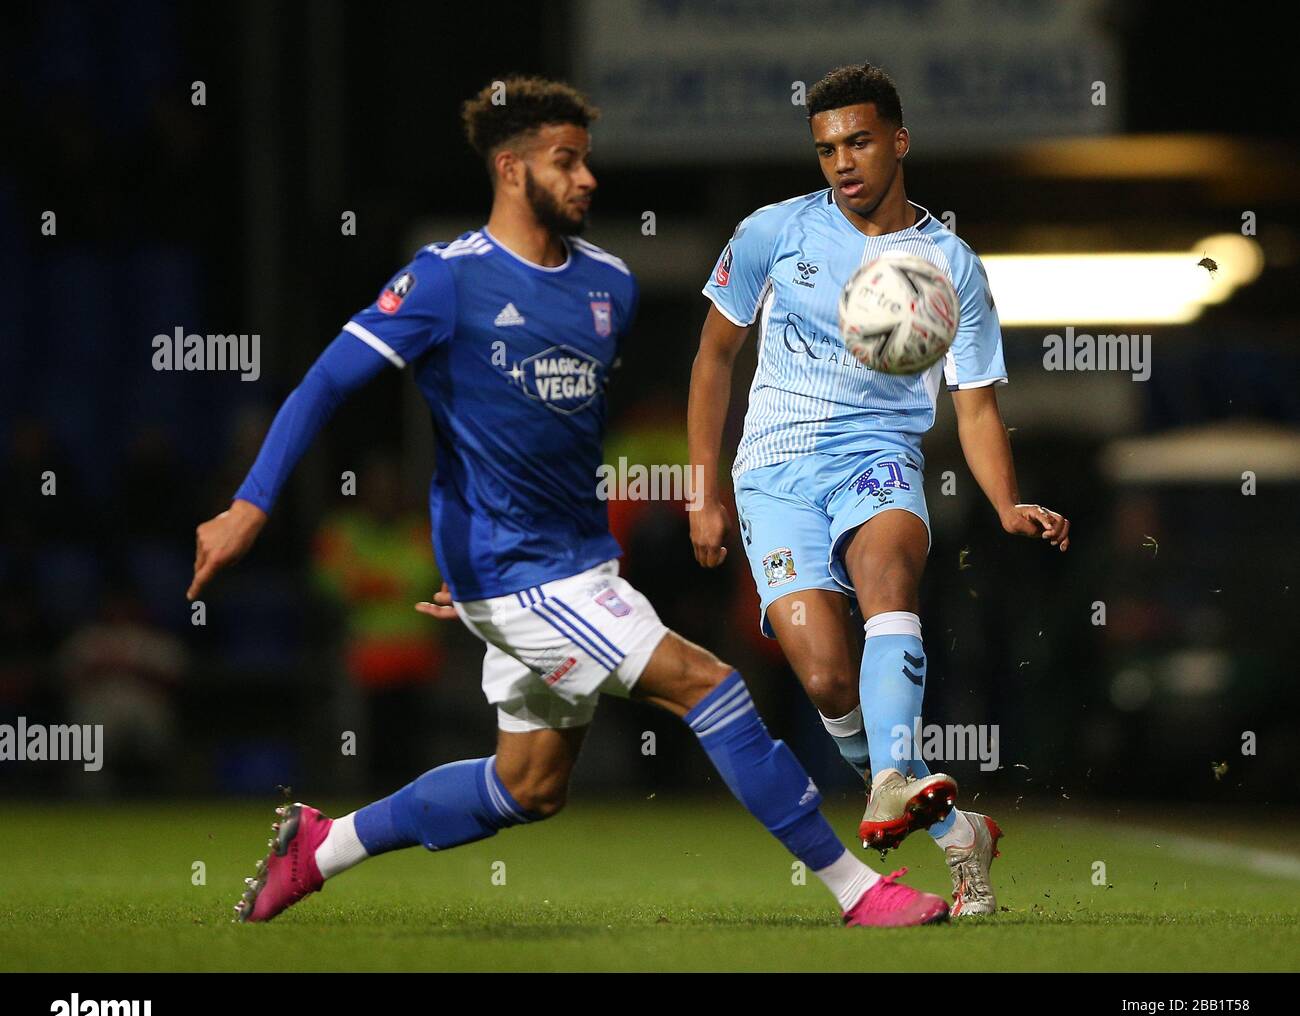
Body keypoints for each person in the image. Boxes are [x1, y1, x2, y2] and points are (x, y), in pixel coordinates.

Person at [188, 76, 948, 928]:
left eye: (587, 161)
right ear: (511, 170)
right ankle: (858, 888)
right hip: (527, 574)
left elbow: (547, 441)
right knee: (712, 685)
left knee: (529, 785)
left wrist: (487, 598)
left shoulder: (607, 288)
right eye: (566, 162)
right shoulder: (445, 281)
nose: (587, 180)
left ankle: (319, 847)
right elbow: (326, 383)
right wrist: (252, 503)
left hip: (555, 567)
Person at [686, 63, 1071, 916]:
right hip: (773, 472)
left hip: (880, 456)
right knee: (826, 680)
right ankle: (951, 829)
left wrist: (1006, 502)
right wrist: (700, 490)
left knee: (891, 576)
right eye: (825, 148)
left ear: (899, 140)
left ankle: (892, 777)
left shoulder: (950, 265)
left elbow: (974, 404)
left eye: (858, 141)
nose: (842, 162)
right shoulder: (770, 234)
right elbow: (714, 358)